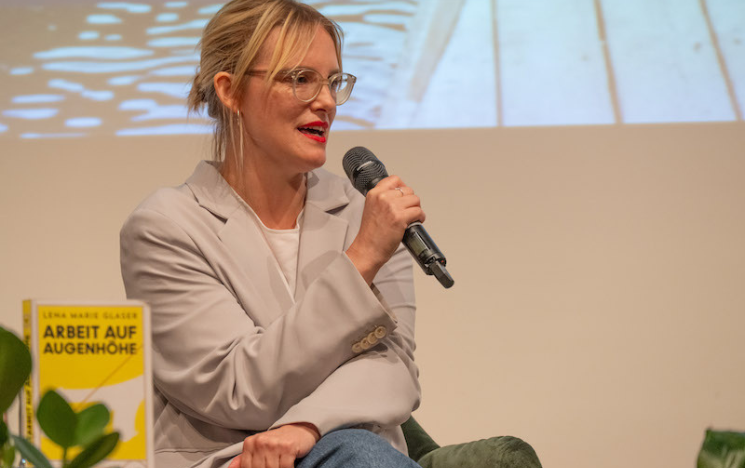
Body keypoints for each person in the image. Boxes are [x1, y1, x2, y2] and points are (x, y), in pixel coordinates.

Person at [119, 1, 425, 467]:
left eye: (333, 81)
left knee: (357, 450)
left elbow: (395, 367)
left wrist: (307, 427)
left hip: (350, 453)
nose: (324, 100)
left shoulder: (365, 211)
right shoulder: (165, 227)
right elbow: (237, 387)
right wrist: (361, 259)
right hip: (236, 460)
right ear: (231, 91)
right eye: (300, 79)